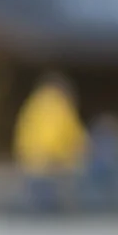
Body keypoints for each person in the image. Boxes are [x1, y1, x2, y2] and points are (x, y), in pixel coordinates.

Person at [13, 71, 86, 216]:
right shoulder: (58, 105)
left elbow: (22, 134)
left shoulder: (32, 104)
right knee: (50, 216)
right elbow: (64, 137)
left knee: (36, 211)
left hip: (32, 166)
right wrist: (70, 159)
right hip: (52, 168)